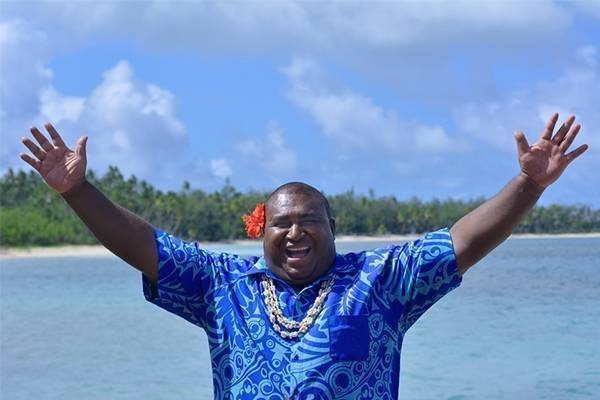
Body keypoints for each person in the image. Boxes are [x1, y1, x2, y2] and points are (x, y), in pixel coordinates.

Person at [20, 113, 588, 399]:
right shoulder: (224, 285)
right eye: (282, 223)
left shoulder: (381, 280)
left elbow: (463, 241)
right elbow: (143, 246)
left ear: (333, 230)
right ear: (260, 232)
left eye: (309, 221)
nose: (295, 233)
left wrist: (529, 188)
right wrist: (77, 193)